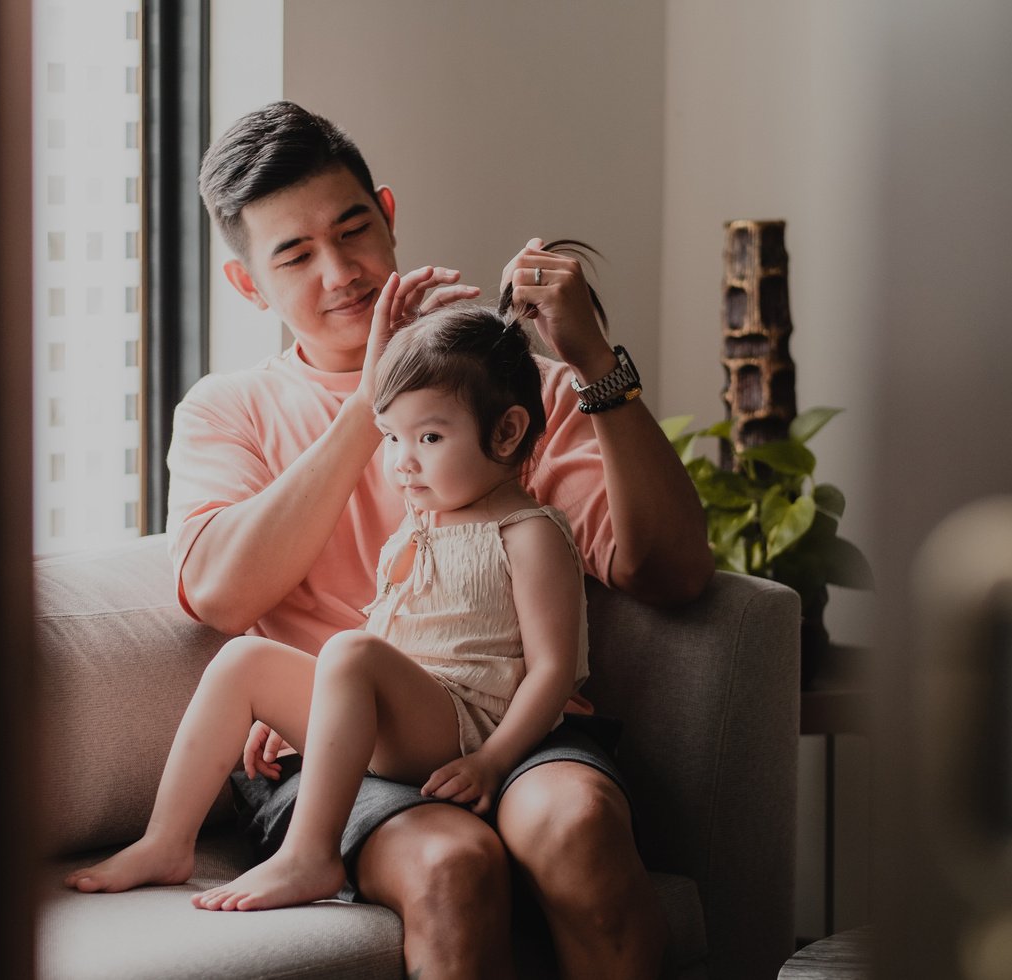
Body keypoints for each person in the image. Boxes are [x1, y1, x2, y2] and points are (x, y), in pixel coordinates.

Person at [161, 102, 711, 978]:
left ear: (387, 214)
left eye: (354, 231)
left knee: (578, 828)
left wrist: (593, 359)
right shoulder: (227, 410)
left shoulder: (510, 390)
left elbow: (672, 572)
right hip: (347, 752)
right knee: (452, 867)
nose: (340, 273)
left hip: (516, 724)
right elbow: (222, 592)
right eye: (295, 256)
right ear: (247, 287)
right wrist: (367, 402)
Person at [67, 293, 592, 916]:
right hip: (403, 716)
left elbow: (554, 669)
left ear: (506, 431)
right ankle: (165, 841)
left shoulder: (529, 532)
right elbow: (393, 629)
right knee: (246, 660)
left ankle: (311, 854)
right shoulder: (421, 522)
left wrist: (492, 760)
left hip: (465, 723)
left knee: (349, 647)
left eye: (429, 436)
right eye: (392, 437)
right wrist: (301, 704)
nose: (402, 463)